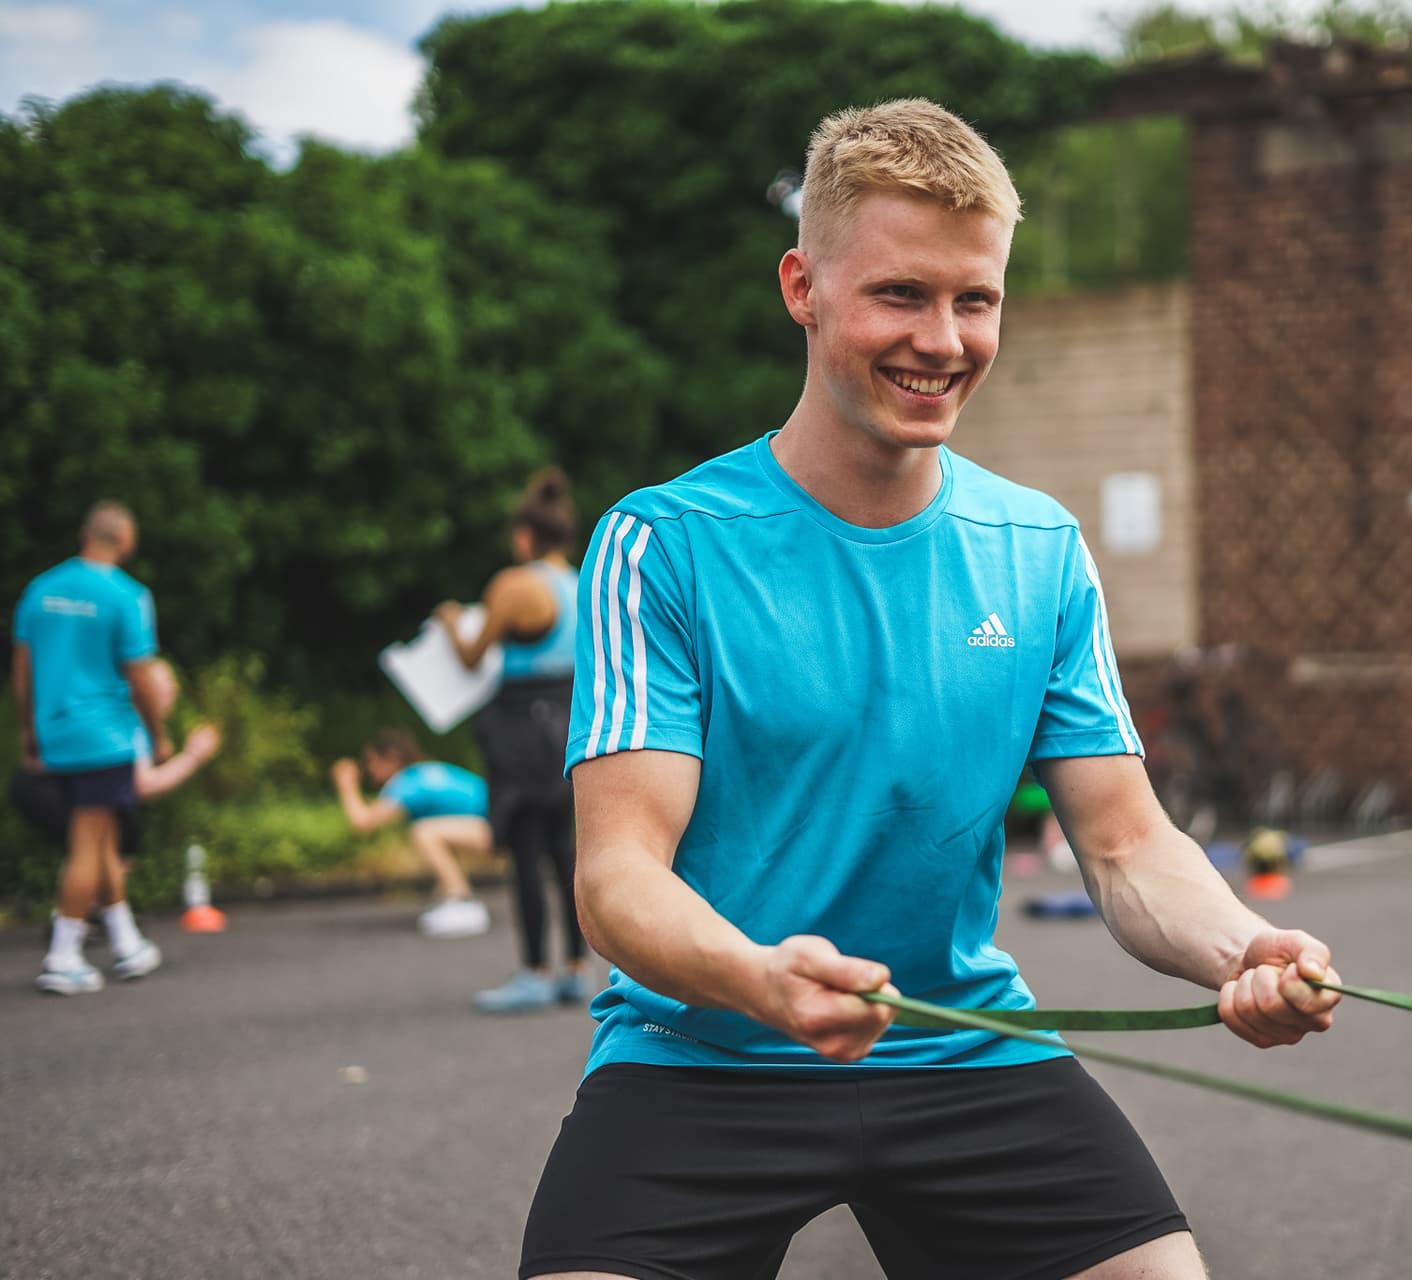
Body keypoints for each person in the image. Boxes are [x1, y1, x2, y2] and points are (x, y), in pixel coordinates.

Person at [518, 99, 1342, 1280]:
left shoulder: (1039, 546)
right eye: (901, 294)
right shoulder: (664, 542)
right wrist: (762, 977)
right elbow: (616, 879)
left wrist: (1243, 947)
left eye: (977, 298)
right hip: (703, 1051)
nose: (944, 339)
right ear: (803, 287)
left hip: (960, 1045)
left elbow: (1123, 844)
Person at [437, 467, 586, 1012]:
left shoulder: (514, 585)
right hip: (571, 720)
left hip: (523, 728)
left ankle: (533, 971)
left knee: (525, 849)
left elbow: (473, 655)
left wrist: (453, 622)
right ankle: (574, 967)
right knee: (564, 850)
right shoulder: (581, 582)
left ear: (525, 536)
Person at [12, 501, 172, 994]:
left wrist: (28, 728)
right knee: (90, 839)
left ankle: (126, 941)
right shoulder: (126, 595)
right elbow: (141, 676)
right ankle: (64, 954)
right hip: (104, 734)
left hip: (55, 729)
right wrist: (158, 733)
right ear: (125, 539)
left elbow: (22, 668)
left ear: (85, 535)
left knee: (102, 836)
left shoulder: (40, 589)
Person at [10, 657, 223, 863]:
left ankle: (106, 895)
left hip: (50, 784)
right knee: (114, 836)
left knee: (117, 832)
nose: (172, 690)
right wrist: (192, 756)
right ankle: (103, 897)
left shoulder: (124, 717)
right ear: (142, 689)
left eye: (171, 683)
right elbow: (142, 786)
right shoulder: (130, 722)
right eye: (163, 684)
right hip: (44, 785)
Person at [330, 729, 492, 939]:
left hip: (497, 828)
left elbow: (363, 822)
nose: (369, 769)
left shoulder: (406, 782)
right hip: (496, 824)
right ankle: (450, 896)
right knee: (433, 830)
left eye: (372, 761)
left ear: (392, 759)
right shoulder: (421, 773)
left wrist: (346, 784)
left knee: (424, 832)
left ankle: (461, 900)